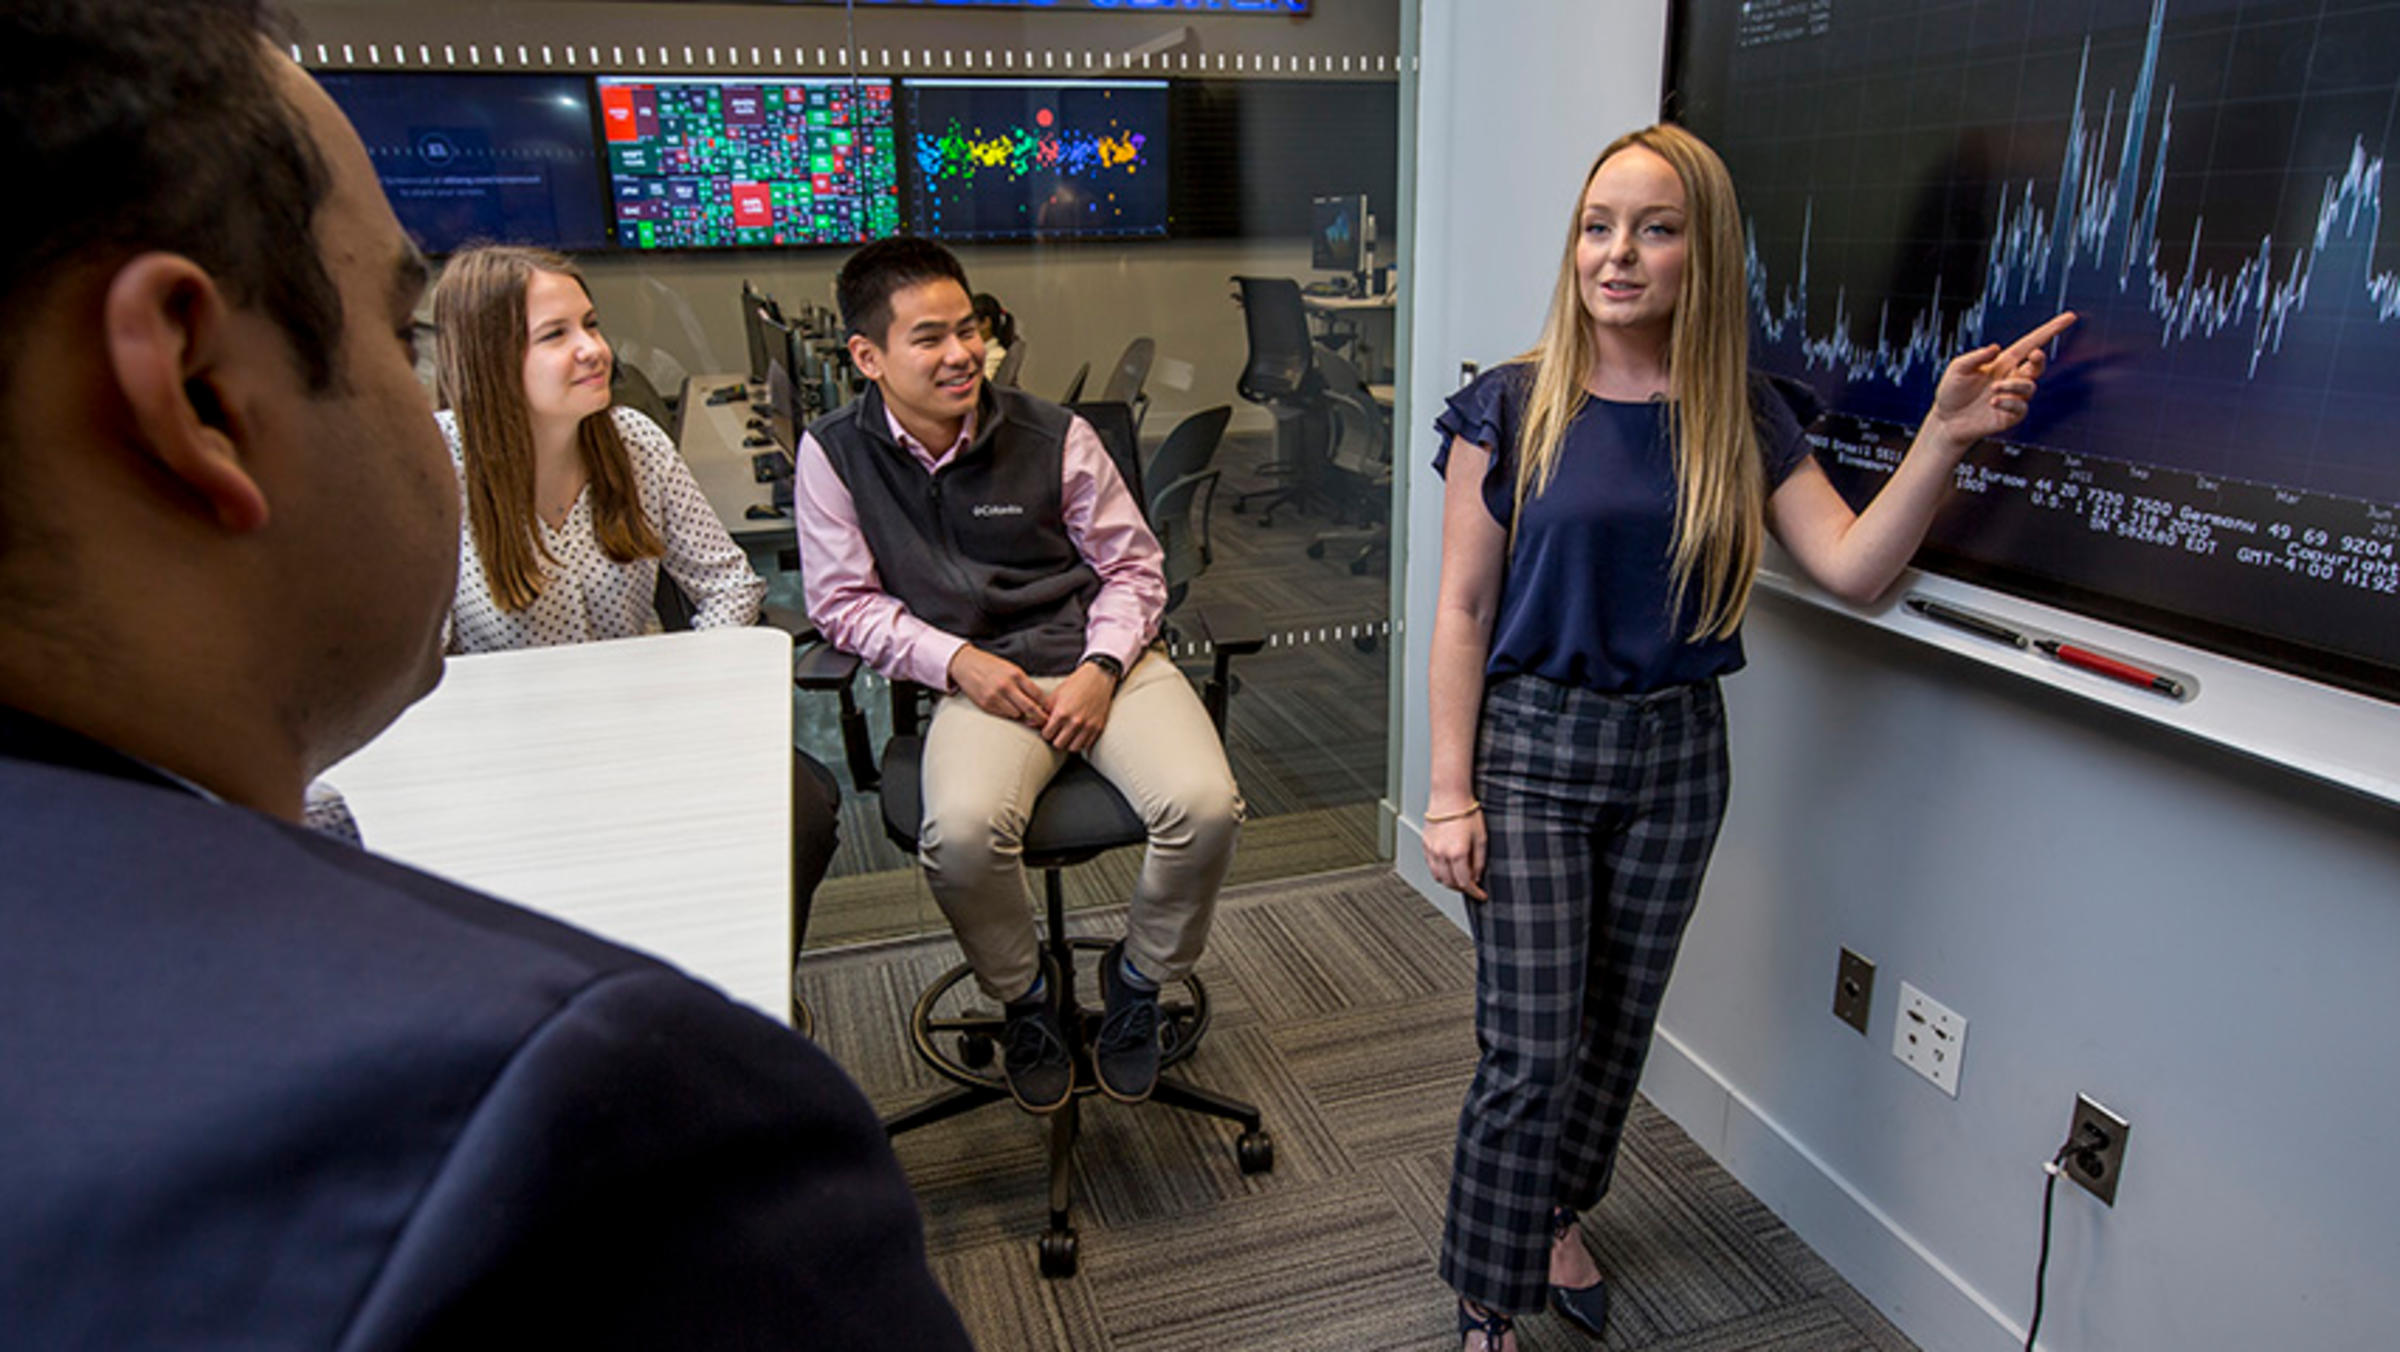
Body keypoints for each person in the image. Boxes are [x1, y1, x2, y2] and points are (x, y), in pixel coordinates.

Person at [0, 4, 970, 1346]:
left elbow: (730, 589)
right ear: (197, 392)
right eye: (396, 328)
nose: (584, 354)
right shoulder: (609, 1118)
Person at [1422, 124, 2075, 1352]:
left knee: (1617, 1028)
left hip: (1677, 759)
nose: (1618, 254)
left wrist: (1940, 437)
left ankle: (1559, 1209)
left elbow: (1853, 566)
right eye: (1597, 224)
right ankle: (1487, 1305)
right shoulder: (1508, 405)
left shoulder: (1744, 414)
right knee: (1528, 1046)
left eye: (1654, 229)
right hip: (1532, 751)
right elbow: (1461, 609)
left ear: (1701, 253)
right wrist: (1450, 792)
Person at [795, 237, 1243, 1115]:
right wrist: (956, 660)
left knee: (1204, 807)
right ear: (868, 357)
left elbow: (1135, 570)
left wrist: (1104, 666)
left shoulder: (1053, 433)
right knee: (958, 833)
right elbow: (843, 605)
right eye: (929, 338)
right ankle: (1027, 998)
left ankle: (1140, 978)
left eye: (971, 329)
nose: (961, 354)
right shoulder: (836, 454)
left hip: (1101, 658)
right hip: (977, 676)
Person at [428, 243, 842, 912]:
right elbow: (419, 667)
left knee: (802, 816)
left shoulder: (632, 442)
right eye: (556, 335)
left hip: (648, 729)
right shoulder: (437, 467)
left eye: (590, 324)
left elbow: (729, 584)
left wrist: (687, 692)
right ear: (490, 355)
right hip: (515, 759)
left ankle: (744, 994)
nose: (595, 349)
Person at [971, 290, 1017, 383]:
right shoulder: (981, 351)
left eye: (971, 320)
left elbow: (980, 388)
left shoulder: (995, 356)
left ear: (986, 323)